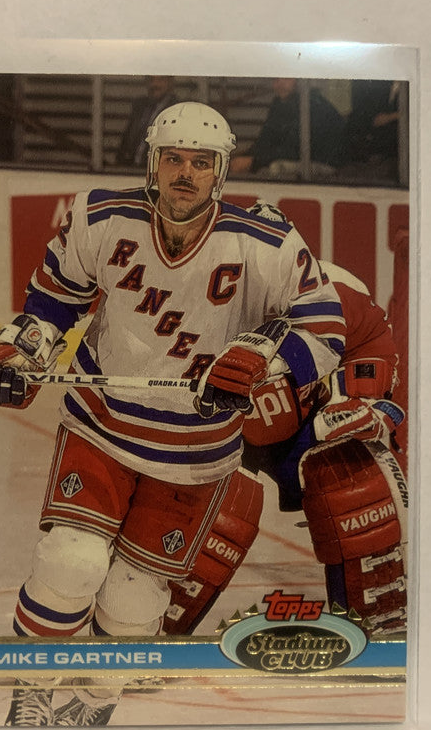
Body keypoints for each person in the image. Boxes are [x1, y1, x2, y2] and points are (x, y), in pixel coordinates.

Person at [0, 103, 346, 726]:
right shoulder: (100, 217)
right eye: (173, 159)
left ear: (220, 171)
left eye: (201, 162)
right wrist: (19, 350)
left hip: (196, 452)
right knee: (70, 562)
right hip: (102, 423)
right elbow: (53, 303)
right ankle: (31, 694)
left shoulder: (267, 242)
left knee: (134, 601)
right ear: (153, 162)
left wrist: (262, 361)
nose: (185, 173)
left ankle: (92, 707)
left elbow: (324, 328)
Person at [165, 202, 408, 639]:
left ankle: (378, 627)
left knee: (355, 484)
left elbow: (371, 338)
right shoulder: (190, 293)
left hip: (307, 421)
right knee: (211, 513)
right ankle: (148, 626)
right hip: (222, 428)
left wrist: (362, 401)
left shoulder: (336, 289)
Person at [230, 78, 346, 178]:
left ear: (300, 79)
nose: (279, 84)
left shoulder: (314, 105)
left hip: (324, 166)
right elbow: (265, 140)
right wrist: (244, 157)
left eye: (286, 78)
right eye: (275, 79)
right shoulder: (279, 104)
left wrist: (254, 161)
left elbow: (295, 150)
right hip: (296, 159)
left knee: (276, 168)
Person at [115, 76, 179, 168]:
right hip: (130, 168)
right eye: (151, 80)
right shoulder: (140, 106)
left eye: (160, 80)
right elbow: (126, 139)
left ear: (170, 82)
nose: (154, 84)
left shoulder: (176, 109)